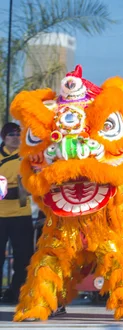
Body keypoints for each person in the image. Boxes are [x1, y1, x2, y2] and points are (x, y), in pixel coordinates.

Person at [0, 122, 34, 304]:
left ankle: (15, 292)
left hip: (21, 214)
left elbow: (33, 182)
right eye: (11, 134)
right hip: (1, 215)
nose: (15, 137)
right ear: (4, 137)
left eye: (17, 134)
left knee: (24, 256)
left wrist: (24, 189)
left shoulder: (27, 157)